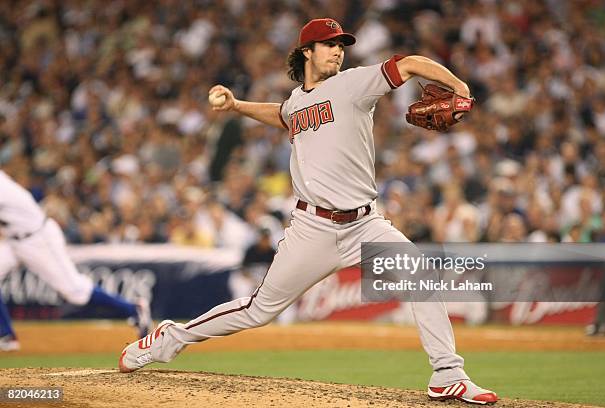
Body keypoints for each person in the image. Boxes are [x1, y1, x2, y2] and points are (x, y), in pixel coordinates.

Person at [119, 18, 498, 405]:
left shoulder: (353, 84)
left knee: (420, 274)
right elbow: (282, 114)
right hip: (312, 228)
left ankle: (447, 374)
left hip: (366, 224)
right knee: (258, 310)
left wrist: (460, 87)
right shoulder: (298, 101)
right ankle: (171, 338)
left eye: (341, 44)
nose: (338, 50)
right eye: (329, 44)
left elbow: (411, 63)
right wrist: (237, 106)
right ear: (307, 52)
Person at [0, 170, 152, 351]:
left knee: (75, 291)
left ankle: (133, 309)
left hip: (38, 239)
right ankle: (6, 335)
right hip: (13, 241)